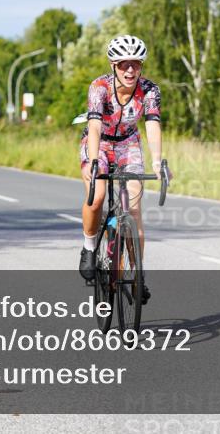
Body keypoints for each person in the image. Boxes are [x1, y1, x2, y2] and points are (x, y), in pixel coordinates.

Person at [78, 35, 166, 304]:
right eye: (124, 65)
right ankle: (90, 247)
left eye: (136, 65)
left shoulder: (150, 90)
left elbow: (152, 124)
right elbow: (94, 126)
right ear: (113, 65)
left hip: (129, 144)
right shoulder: (99, 87)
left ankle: (138, 275)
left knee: (134, 209)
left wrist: (157, 161)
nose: (130, 71)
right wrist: (94, 161)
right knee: (98, 197)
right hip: (100, 143)